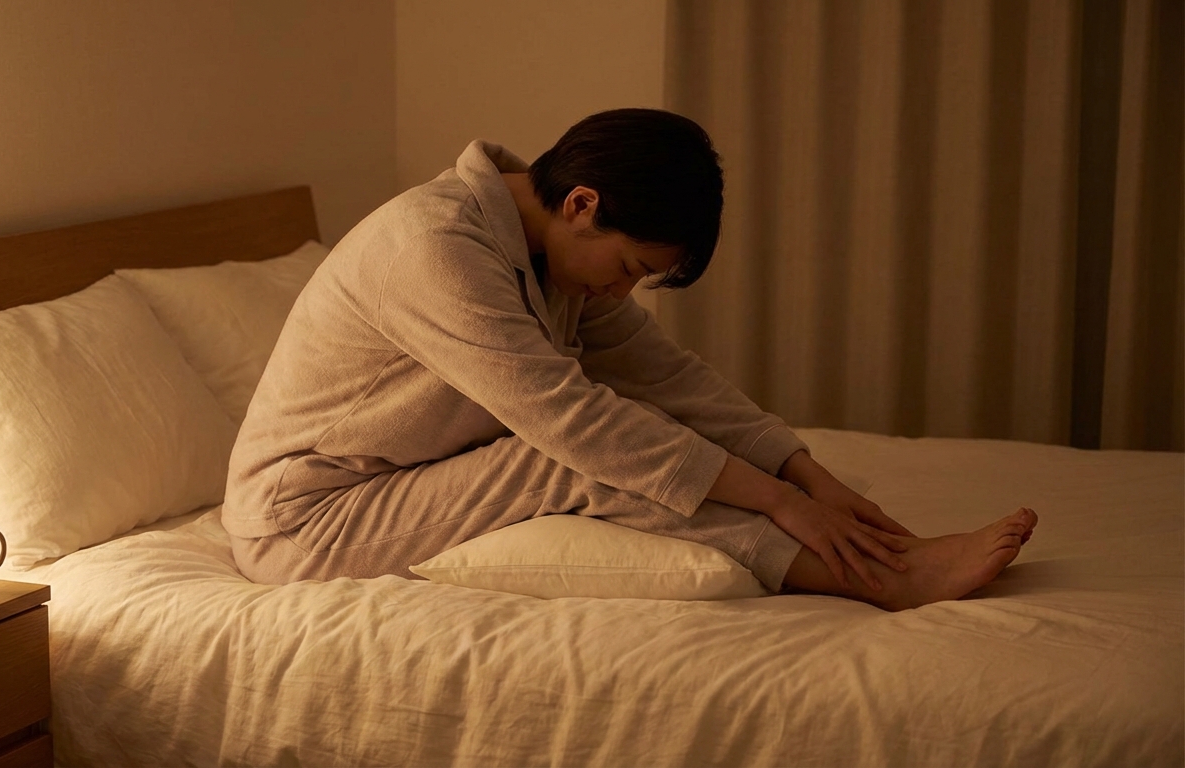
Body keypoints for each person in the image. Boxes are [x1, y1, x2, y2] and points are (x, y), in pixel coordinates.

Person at [222, 108, 1037, 611]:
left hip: (391, 482)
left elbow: (668, 378)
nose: (623, 292)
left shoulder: (551, 249)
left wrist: (810, 477)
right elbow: (571, 424)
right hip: (306, 521)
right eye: (628, 269)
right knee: (572, 455)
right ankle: (875, 580)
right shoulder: (434, 250)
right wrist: (781, 506)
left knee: (647, 426)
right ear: (583, 205)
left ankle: (871, 555)